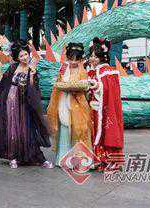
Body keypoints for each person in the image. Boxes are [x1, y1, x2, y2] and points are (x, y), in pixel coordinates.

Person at [0, 40, 53, 169]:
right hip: (10, 102)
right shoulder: (13, 67)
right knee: (11, 128)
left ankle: (37, 157)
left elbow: (33, 88)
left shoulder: (32, 69)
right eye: (21, 55)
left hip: (24, 103)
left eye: (25, 54)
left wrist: (32, 75)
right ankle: (12, 156)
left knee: (27, 128)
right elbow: (4, 82)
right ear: (17, 57)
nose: (24, 57)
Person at [46, 42, 94, 166]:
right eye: (71, 58)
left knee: (79, 128)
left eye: (76, 59)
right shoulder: (63, 67)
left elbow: (85, 86)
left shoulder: (83, 70)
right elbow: (59, 82)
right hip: (63, 100)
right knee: (64, 126)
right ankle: (63, 158)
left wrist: (77, 87)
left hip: (78, 102)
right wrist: (64, 85)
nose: (73, 62)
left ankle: (79, 159)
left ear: (80, 59)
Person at [87, 38, 124, 171]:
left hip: (104, 109)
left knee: (106, 132)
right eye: (91, 56)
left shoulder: (108, 71)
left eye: (95, 56)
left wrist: (97, 86)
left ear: (102, 57)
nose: (92, 59)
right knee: (95, 133)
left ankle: (111, 160)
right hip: (93, 109)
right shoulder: (92, 71)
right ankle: (98, 159)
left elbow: (109, 90)